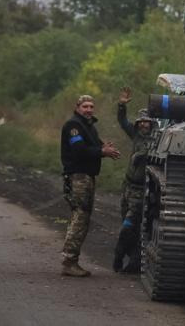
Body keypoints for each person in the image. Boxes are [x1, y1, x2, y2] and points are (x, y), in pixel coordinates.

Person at [60, 95, 120, 277]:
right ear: (77, 107)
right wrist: (102, 151)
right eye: (85, 106)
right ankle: (69, 261)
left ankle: (71, 260)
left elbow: (94, 145)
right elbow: (79, 150)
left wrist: (104, 148)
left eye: (91, 106)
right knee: (80, 217)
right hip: (79, 176)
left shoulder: (88, 126)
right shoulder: (74, 126)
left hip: (87, 176)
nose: (89, 109)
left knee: (82, 218)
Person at [112, 87, 156, 274]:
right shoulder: (136, 135)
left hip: (140, 190)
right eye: (141, 122)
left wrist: (141, 154)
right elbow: (122, 122)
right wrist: (121, 105)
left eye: (147, 122)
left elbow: (151, 154)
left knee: (128, 227)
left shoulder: (156, 139)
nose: (144, 125)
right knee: (128, 224)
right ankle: (135, 260)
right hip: (128, 186)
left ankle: (118, 255)